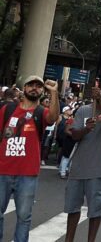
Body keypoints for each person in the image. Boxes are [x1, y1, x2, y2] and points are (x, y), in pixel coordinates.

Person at [0, 76, 60, 242]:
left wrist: (54, 93)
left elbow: (54, 117)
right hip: (2, 171)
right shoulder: (7, 109)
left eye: (39, 86)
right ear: (24, 88)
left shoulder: (41, 112)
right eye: (31, 85)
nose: (35, 88)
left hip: (27, 174)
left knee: (24, 217)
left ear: (42, 91)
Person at [64, 84, 101, 242]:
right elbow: (74, 135)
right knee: (72, 209)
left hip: (97, 170)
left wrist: (100, 98)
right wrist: (85, 129)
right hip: (78, 169)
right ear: (97, 90)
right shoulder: (83, 110)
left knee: (95, 211)